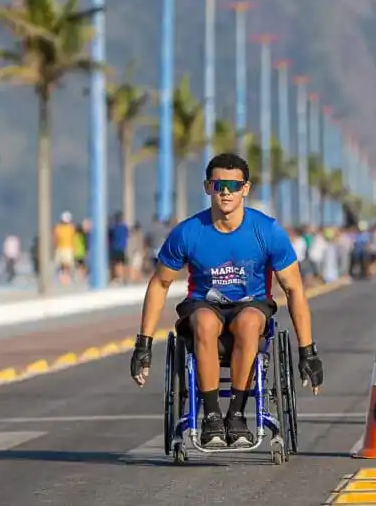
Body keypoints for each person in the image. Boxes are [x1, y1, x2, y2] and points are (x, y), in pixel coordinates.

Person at [129, 153, 324, 449]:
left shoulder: (267, 231)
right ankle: (211, 417)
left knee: (248, 322)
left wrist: (307, 351)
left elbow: (295, 289)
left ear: (246, 189)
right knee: (205, 323)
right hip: (204, 305)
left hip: (251, 305)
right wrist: (142, 345)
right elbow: (160, 282)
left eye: (234, 185)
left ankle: (236, 415)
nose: (225, 192)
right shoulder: (188, 232)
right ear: (208, 187)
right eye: (219, 184)